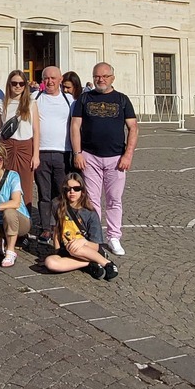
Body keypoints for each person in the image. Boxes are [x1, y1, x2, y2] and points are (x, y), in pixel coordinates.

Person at [70, 63, 138, 256]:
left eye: (105, 76)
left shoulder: (122, 100)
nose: (101, 79)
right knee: (92, 200)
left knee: (114, 199)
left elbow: (133, 128)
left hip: (116, 159)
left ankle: (114, 236)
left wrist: (128, 155)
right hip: (90, 157)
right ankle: (95, 236)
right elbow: (75, 126)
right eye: (97, 76)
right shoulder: (84, 98)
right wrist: (77, 153)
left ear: (112, 78)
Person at [41, 172, 118, 280]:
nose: (72, 192)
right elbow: (57, 231)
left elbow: (96, 245)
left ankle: (107, 263)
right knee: (50, 262)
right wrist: (57, 251)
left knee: (74, 248)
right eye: (68, 189)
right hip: (67, 249)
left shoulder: (90, 213)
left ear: (82, 191)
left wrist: (83, 242)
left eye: (76, 189)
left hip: (87, 249)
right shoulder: (56, 204)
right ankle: (88, 263)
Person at [32, 66, 73, 244]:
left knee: (61, 192)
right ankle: (45, 228)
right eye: (46, 78)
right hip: (41, 151)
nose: (49, 81)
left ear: (60, 79)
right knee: (44, 193)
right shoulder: (35, 98)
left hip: (63, 152)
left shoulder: (69, 100)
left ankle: (60, 225)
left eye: (53, 78)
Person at [0, 71, 39, 188]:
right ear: (9, 84)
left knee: (25, 184)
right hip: (6, 147)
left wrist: (36, 155)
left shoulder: (31, 103)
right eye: (14, 83)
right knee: (5, 184)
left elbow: (36, 130)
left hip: (25, 147)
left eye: (21, 83)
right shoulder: (2, 104)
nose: (18, 86)